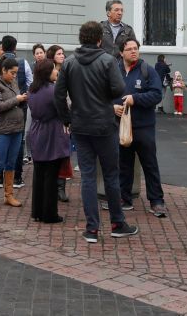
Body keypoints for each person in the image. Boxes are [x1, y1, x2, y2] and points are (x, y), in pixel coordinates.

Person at [54, 21, 138, 243]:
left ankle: (92, 228)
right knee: (111, 175)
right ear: (100, 39)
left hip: (80, 125)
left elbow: (58, 95)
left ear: (81, 38)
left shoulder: (69, 63)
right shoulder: (107, 60)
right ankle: (117, 223)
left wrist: (67, 119)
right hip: (104, 125)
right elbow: (119, 89)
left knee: (88, 177)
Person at [109, 39, 166, 216]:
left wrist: (135, 99)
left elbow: (157, 94)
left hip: (143, 127)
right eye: (129, 49)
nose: (133, 51)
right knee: (123, 165)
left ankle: (156, 201)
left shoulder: (147, 70)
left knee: (150, 165)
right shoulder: (114, 70)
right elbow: (103, 94)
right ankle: (124, 198)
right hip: (121, 127)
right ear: (121, 52)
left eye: (136, 48)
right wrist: (112, 107)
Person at [27, 59, 70, 224]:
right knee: (51, 175)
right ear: (47, 72)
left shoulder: (32, 89)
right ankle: (49, 214)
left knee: (39, 175)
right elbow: (64, 111)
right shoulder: (53, 90)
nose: (56, 71)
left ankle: (37, 211)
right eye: (53, 69)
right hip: (52, 133)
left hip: (37, 131)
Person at [0, 57, 27, 209]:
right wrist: (17, 99)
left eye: (16, 73)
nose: (14, 76)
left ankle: (9, 195)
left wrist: (23, 99)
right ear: (3, 70)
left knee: (11, 163)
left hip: (16, 128)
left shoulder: (12, 82)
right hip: (1, 130)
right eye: (12, 73)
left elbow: (15, 101)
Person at [0, 35, 32, 187]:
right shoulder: (23, 62)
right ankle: (17, 177)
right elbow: (30, 83)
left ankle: (0, 177)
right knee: (18, 139)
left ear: (2, 47)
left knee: (0, 138)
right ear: (15, 47)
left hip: (1, 106)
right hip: (20, 105)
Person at [45, 44, 72, 202]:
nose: (62, 56)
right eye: (59, 53)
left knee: (63, 153)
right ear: (52, 56)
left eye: (63, 53)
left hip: (65, 116)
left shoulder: (67, 70)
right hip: (51, 117)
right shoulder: (48, 72)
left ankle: (61, 187)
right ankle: (51, 185)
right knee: (51, 153)